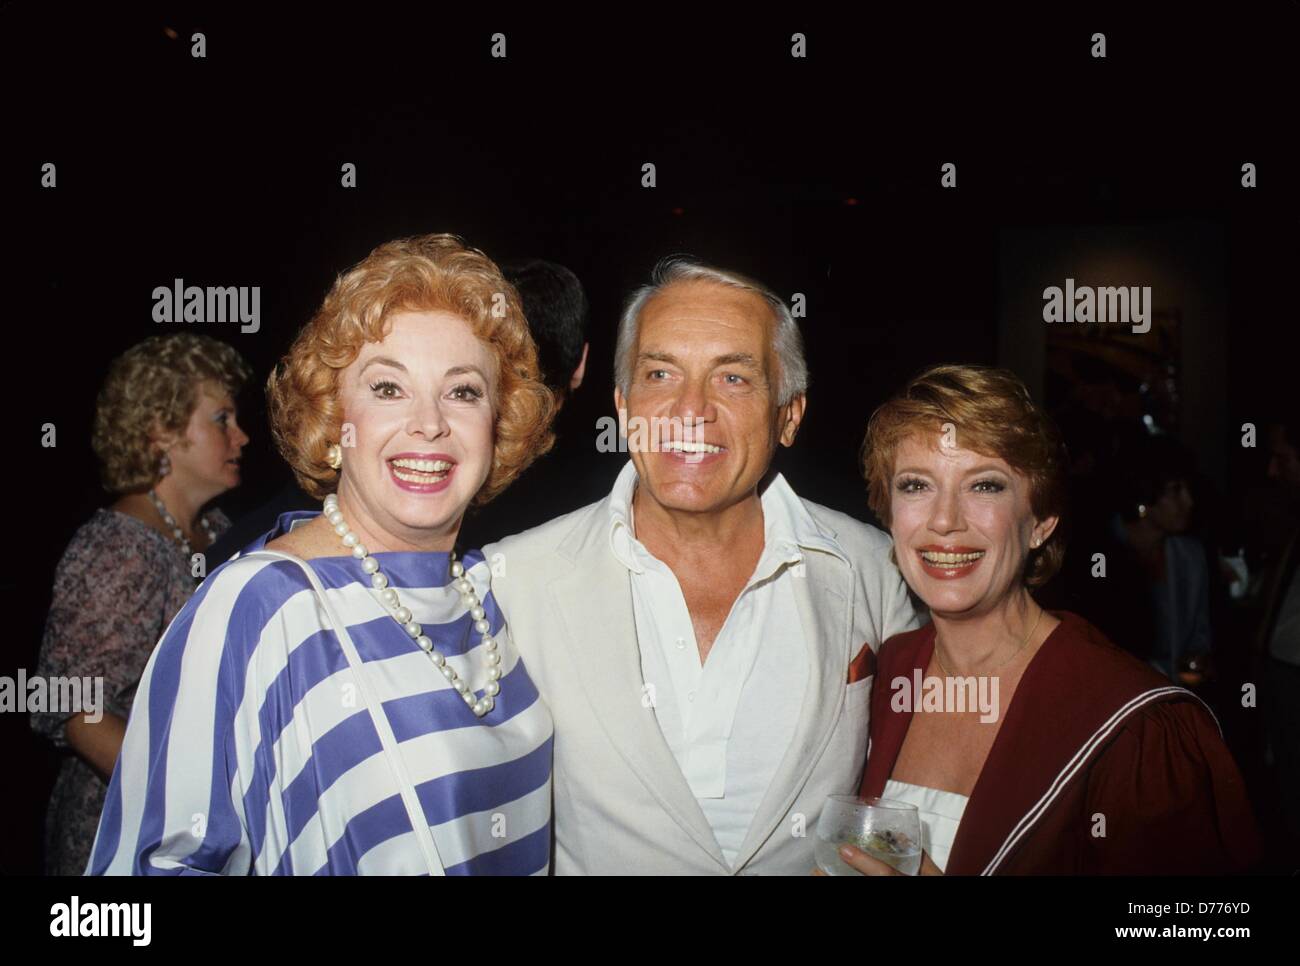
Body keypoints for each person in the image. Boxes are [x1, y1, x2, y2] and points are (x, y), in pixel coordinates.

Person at [86, 234, 557, 875]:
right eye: (388, 388)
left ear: (498, 424)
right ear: (336, 422)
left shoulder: (492, 591)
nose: (429, 422)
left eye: (464, 391)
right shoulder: (258, 605)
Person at [485, 256, 919, 874]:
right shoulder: (512, 580)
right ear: (622, 402)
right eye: (660, 373)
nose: (691, 409)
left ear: (788, 416)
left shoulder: (877, 568)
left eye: (733, 379)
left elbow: (915, 782)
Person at [847, 364, 1260, 875]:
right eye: (915, 485)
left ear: (1041, 522)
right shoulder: (885, 674)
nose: (944, 520)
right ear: (887, 513)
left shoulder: (1133, 725)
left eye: (985, 486)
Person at [32, 333, 251, 876]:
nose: (242, 437)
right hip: (126, 843)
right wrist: (187, 803)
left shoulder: (217, 532)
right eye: (221, 419)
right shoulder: (120, 546)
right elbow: (75, 710)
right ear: (162, 432)